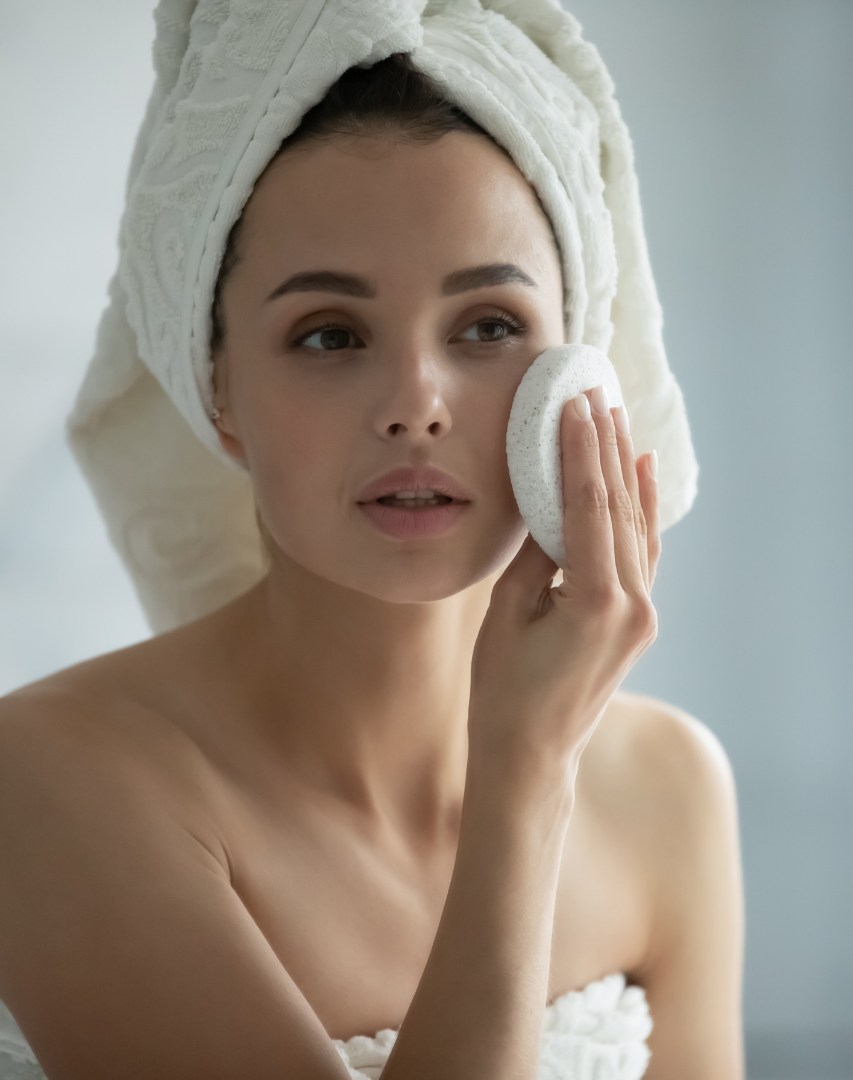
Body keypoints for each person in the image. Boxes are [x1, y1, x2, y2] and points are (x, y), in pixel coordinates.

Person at [0, 2, 743, 1078]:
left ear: (576, 375)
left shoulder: (669, 783)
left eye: (488, 326)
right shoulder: (53, 782)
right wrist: (523, 776)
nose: (415, 405)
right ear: (217, 395)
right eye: (330, 335)